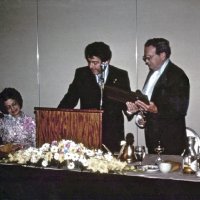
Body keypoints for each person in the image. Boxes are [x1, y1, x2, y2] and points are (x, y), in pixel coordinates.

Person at [58, 41, 132, 153]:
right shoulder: (81, 74)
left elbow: (125, 103)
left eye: (95, 62)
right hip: (88, 130)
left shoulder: (120, 75)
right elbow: (69, 100)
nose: (91, 66)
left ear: (106, 61)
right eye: (89, 62)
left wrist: (131, 111)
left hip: (113, 132)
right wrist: (57, 115)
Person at [126, 38, 190, 155]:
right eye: (145, 58)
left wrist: (156, 109)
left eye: (149, 57)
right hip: (153, 140)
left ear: (162, 55)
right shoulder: (153, 72)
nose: (146, 61)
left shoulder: (178, 76)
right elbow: (149, 102)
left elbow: (180, 109)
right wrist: (139, 113)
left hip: (170, 142)